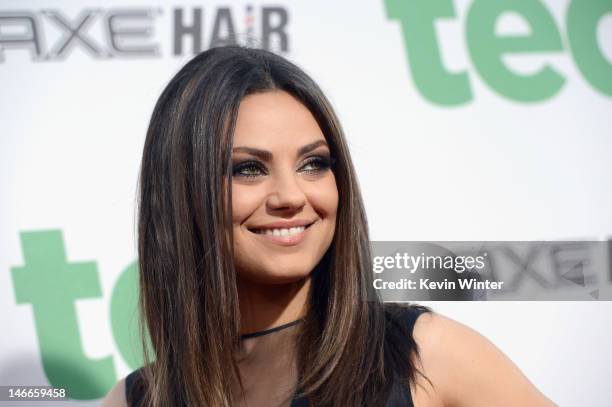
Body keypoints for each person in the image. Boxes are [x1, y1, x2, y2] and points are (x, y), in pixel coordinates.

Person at [102, 46, 555, 406]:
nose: (291, 196)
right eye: (247, 169)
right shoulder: (139, 398)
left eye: (313, 163)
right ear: (183, 192)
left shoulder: (425, 353)